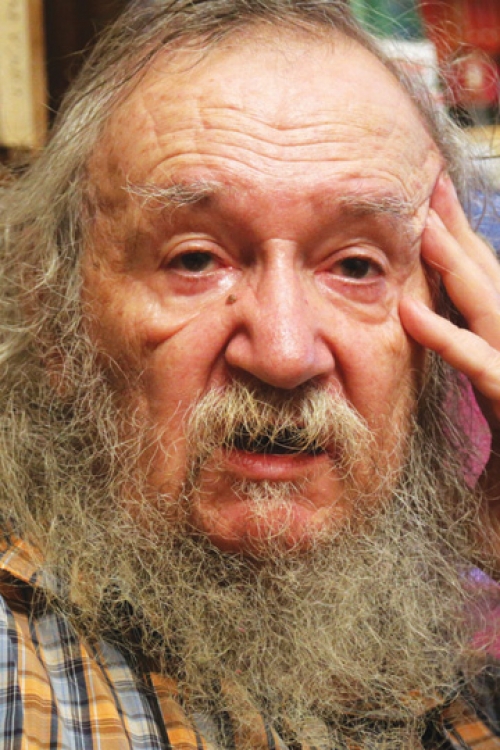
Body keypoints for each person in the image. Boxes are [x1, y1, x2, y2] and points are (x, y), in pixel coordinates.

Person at [1, 0, 500, 747]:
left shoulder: (461, 692)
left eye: (355, 266)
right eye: (195, 259)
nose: (285, 353)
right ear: (55, 318)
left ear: (449, 324)